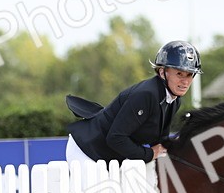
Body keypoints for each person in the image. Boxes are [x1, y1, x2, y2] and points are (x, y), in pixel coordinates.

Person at [66, 40, 201, 164]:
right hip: (86, 149)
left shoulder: (174, 100)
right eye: (179, 74)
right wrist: (149, 154)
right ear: (162, 72)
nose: (185, 81)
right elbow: (116, 138)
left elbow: (160, 141)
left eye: (190, 75)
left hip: (110, 157)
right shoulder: (146, 95)